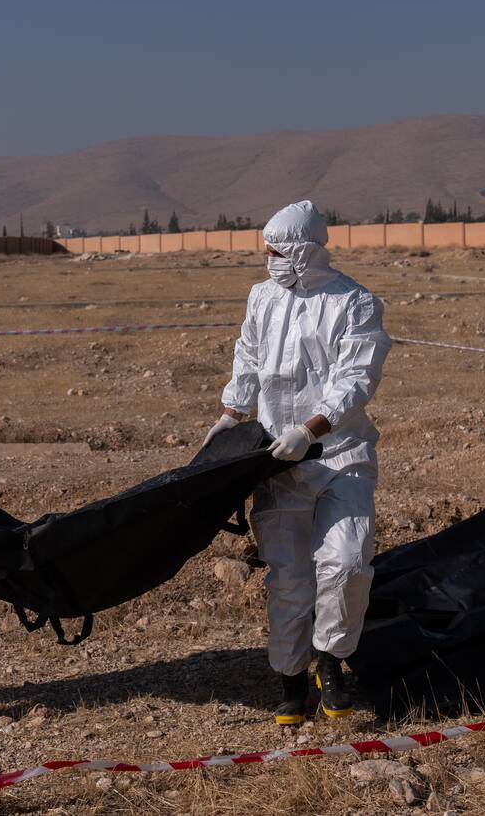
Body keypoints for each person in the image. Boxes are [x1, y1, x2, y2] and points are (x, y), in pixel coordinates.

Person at [203, 200, 390, 725]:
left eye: (278, 253)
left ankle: (330, 659)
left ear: (307, 251)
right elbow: (249, 356)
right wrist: (231, 414)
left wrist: (311, 429)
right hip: (276, 463)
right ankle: (290, 676)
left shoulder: (354, 303)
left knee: (348, 563)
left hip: (339, 456)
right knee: (288, 578)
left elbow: (356, 377)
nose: (271, 262)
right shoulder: (262, 297)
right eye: (267, 253)